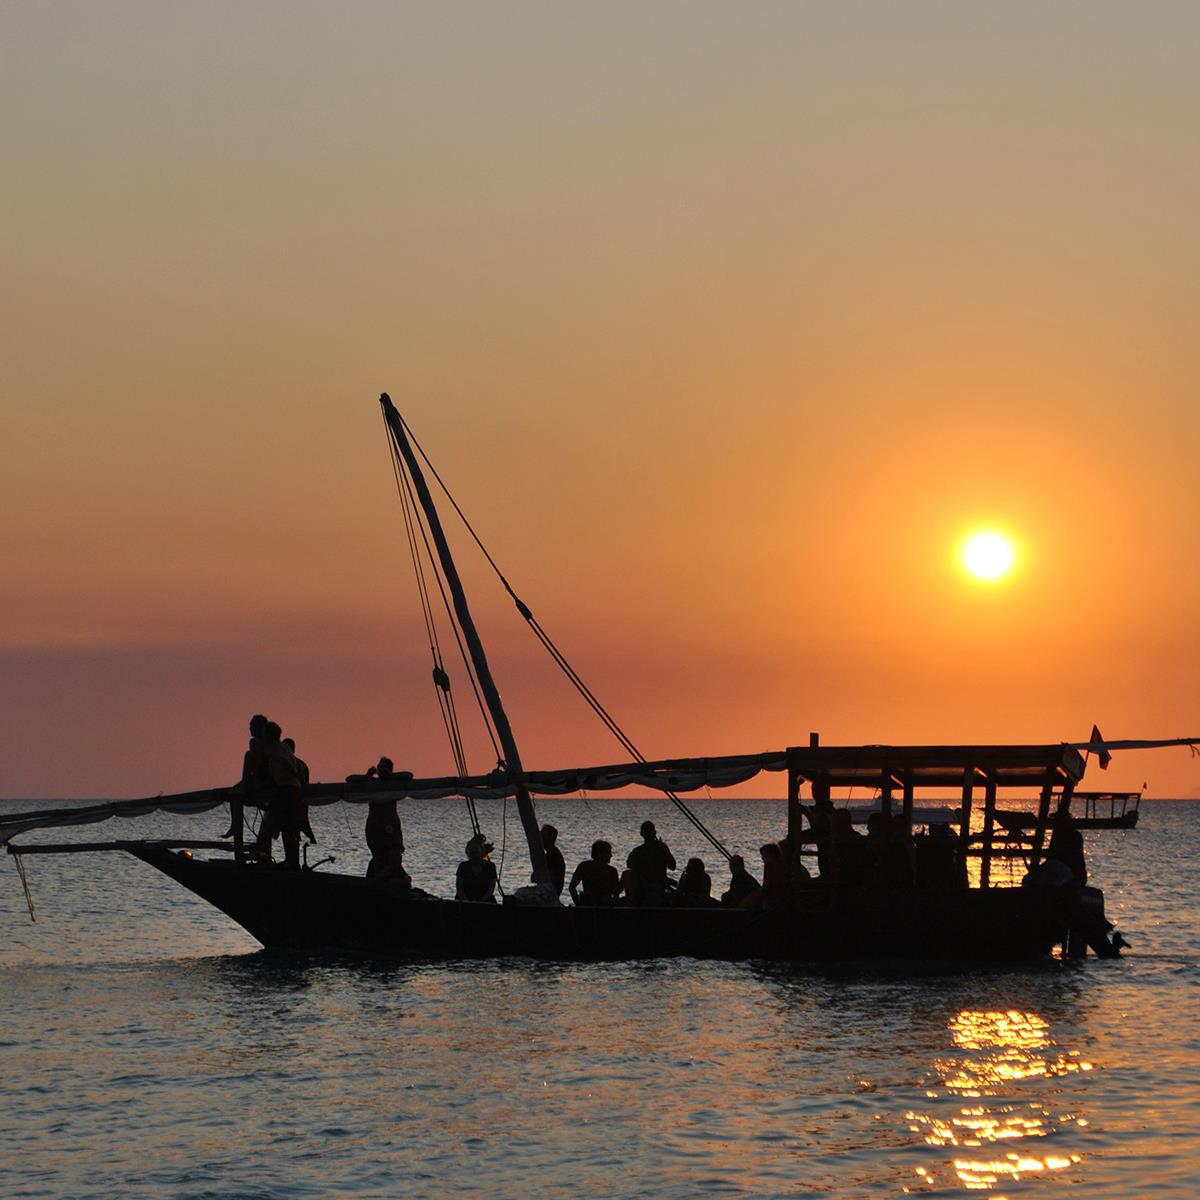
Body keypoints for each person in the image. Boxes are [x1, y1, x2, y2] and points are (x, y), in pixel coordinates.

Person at [255, 721, 304, 869]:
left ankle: (269, 860)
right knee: (288, 827)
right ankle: (291, 861)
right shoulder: (284, 748)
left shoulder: (273, 748)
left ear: (268, 735)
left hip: (286, 790)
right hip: (292, 790)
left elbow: (258, 758)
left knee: (273, 827)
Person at [626, 821, 676, 906]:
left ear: (654, 832)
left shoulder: (662, 848)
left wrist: (664, 851)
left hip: (660, 885)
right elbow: (630, 867)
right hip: (643, 886)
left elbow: (672, 866)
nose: (649, 833)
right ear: (642, 833)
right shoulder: (637, 851)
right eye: (646, 830)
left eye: (650, 830)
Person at [282, 737, 316, 844]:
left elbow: (302, 782)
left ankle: (292, 858)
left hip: (294, 800)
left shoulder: (295, 764)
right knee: (294, 828)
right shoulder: (301, 764)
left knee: (291, 829)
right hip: (298, 802)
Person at [568, 840, 621, 905]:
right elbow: (572, 887)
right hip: (590, 904)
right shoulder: (584, 867)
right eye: (608, 853)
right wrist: (578, 904)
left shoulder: (612, 871)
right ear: (599, 854)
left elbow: (616, 894)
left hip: (602, 905)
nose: (611, 855)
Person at [456, 834, 498, 902]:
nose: (474, 852)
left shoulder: (490, 867)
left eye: (476, 850)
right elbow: (459, 888)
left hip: (486, 902)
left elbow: (491, 889)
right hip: (464, 902)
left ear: (482, 851)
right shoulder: (463, 866)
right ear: (468, 852)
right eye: (471, 850)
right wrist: (467, 902)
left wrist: (480, 902)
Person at [536, 824, 566, 894]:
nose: (540, 837)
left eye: (543, 835)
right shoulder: (551, 853)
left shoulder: (552, 855)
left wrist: (535, 877)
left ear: (551, 838)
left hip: (550, 892)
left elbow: (548, 877)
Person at [759, 842, 789, 908]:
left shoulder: (774, 867)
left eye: (764, 855)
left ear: (772, 855)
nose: (762, 858)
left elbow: (767, 886)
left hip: (774, 899)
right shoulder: (770, 865)